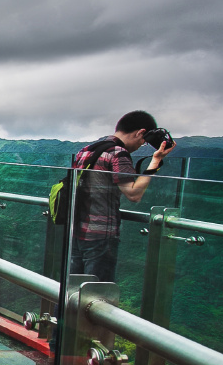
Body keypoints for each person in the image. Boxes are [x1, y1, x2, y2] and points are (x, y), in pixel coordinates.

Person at [70, 110, 175, 282]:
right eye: (143, 142)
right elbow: (134, 194)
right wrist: (155, 161)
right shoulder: (118, 153)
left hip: (76, 229)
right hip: (101, 234)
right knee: (96, 292)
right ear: (140, 132)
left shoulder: (86, 150)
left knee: (72, 289)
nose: (140, 146)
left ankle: (62, 311)